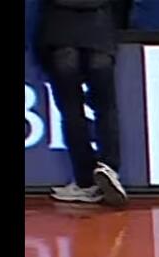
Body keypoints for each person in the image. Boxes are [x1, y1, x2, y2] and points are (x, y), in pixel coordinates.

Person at [35, 0, 127, 207]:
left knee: (71, 110)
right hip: (99, 31)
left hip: (60, 31)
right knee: (105, 107)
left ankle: (85, 182)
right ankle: (109, 167)